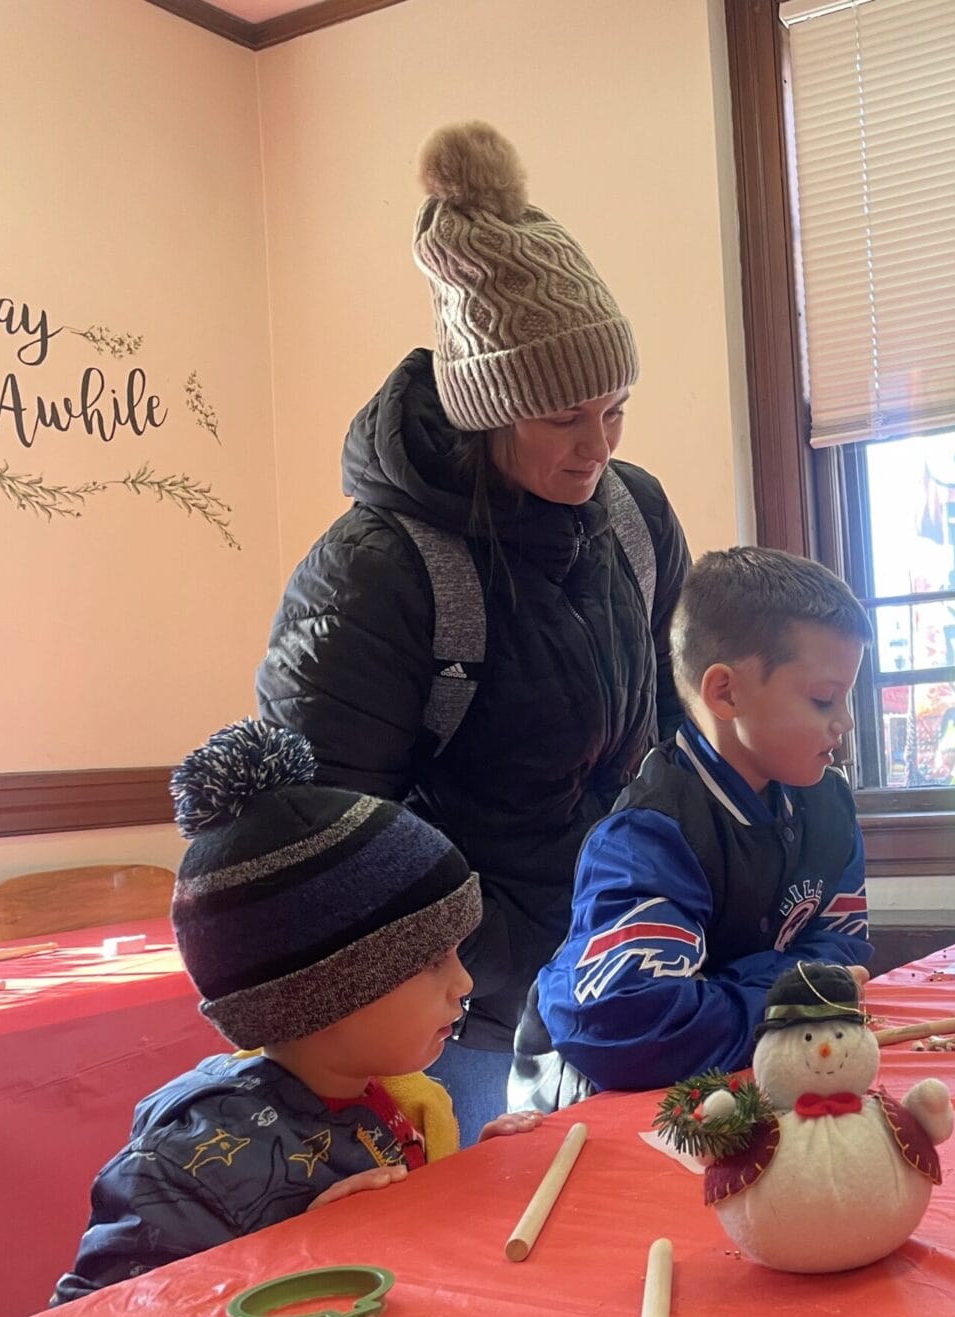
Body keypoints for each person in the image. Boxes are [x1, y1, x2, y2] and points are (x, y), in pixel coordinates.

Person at [258, 121, 689, 1138]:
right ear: (489, 407)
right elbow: (325, 835)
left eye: (616, 409)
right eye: (564, 418)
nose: (599, 447)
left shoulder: (635, 516)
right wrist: (479, 967)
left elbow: (678, 730)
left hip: (616, 964)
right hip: (443, 1018)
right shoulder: (374, 572)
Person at [54, 720, 541, 1303]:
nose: (465, 982)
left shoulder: (393, 1098)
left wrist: (464, 1183)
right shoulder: (188, 1167)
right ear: (327, 993)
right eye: (432, 960)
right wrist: (293, 1259)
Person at [512, 548, 874, 1107]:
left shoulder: (828, 803)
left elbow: (845, 951)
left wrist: (745, 989)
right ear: (725, 692)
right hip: (595, 1112)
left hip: (740, 1077)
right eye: (824, 698)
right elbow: (631, 1027)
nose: (844, 721)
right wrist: (790, 994)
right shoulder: (648, 835)